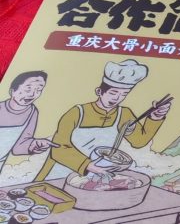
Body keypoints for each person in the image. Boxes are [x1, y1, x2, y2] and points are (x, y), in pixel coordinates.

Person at [37, 59, 171, 181]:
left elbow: (139, 141)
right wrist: (88, 165)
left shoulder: (124, 114)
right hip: (59, 172)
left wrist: (156, 117)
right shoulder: (77, 112)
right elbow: (58, 148)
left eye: (123, 94)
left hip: (95, 174)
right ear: (99, 91)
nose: (117, 98)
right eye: (113, 92)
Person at [0, 72, 52, 176]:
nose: (32, 94)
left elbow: (18, 147)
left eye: (39, 90)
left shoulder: (32, 112)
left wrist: (34, 145)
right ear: (13, 91)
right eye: (28, 89)